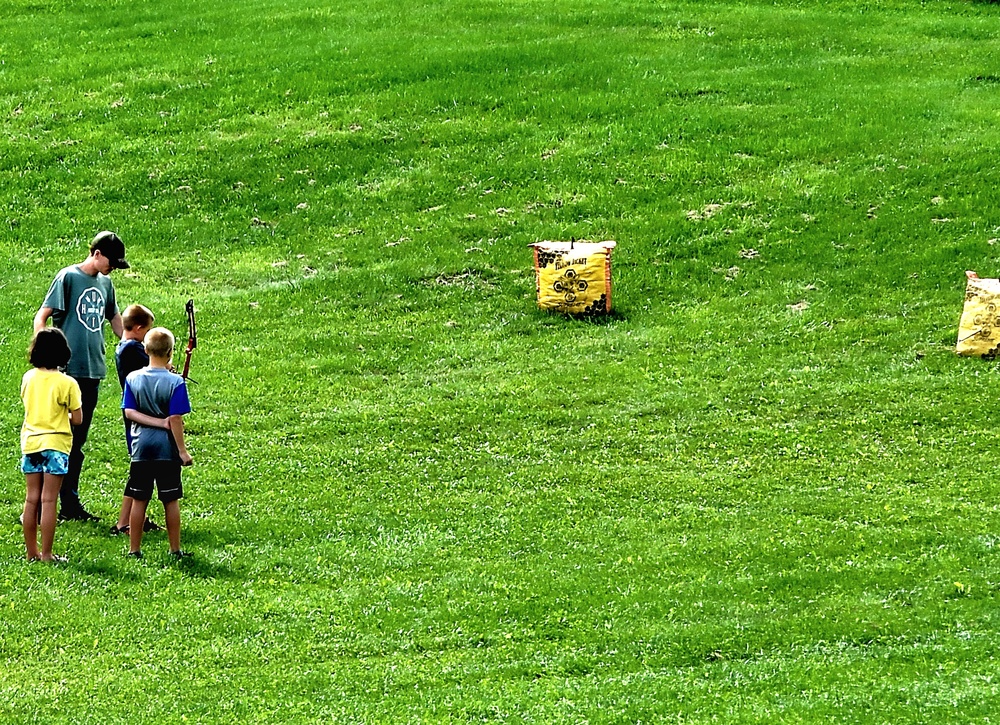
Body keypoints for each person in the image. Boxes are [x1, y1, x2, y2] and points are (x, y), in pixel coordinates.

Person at [34, 231, 129, 522]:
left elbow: (114, 318)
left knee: (78, 441)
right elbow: (43, 316)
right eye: (111, 261)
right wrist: (45, 355)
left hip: (92, 370)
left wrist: (131, 343)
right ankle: (38, 503)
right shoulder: (68, 278)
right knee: (54, 439)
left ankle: (69, 502)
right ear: (97, 254)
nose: (112, 267)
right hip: (66, 371)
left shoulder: (106, 283)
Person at [122, 327, 193, 559]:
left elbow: (130, 412)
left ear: (145, 348)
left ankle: (134, 549)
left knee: (139, 498)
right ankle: (174, 549)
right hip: (166, 450)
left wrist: (153, 422)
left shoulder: (132, 378)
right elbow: (175, 419)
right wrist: (182, 451)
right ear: (170, 352)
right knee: (170, 499)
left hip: (140, 448)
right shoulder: (176, 383)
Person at [20, 329, 83, 562]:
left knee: (31, 499)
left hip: (31, 442)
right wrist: (63, 417)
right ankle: (47, 553)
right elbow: (77, 419)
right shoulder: (67, 383)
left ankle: (31, 552)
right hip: (55, 444)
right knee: (49, 500)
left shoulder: (28, 377)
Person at [110, 304, 163, 536]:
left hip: (138, 411)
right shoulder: (132, 349)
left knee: (140, 470)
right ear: (139, 328)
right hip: (141, 415)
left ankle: (135, 518)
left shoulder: (125, 347)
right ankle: (126, 521)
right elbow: (154, 366)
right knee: (139, 471)